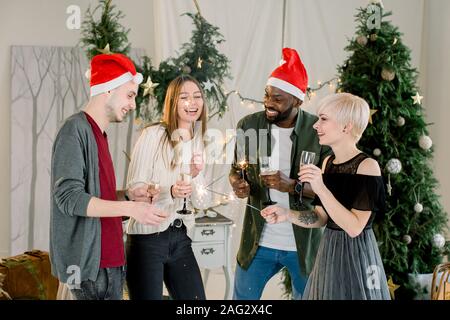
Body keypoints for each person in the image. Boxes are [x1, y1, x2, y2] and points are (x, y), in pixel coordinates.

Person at [50, 53, 170, 300]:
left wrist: (127, 195)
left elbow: (94, 197)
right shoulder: (74, 131)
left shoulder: (100, 135)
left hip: (111, 264)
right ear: (108, 90)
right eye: (129, 95)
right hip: (91, 270)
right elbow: (69, 198)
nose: (133, 104)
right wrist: (131, 207)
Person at [261, 93, 391, 300]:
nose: (315, 125)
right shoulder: (328, 162)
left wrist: (320, 187)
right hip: (329, 252)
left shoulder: (368, 167)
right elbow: (321, 218)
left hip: (357, 257)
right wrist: (287, 214)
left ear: (346, 127)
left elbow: (354, 227)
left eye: (324, 119)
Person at [229, 48, 332, 300]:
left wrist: (292, 186)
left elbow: (328, 192)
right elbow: (236, 170)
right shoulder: (250, 125)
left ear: (297, 101)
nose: (268, 103)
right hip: (258, 242)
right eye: (266, 95)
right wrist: (238, 184)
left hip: (304, 245)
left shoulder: (317, 131)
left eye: (278, 98)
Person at [125, 74, 210, 300]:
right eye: (184, 97)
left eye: (197, 97)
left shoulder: (199, 140)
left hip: (181, 237)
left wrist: (197, 175)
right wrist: (169, 191)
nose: (192, 103)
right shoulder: (153, 135)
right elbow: (134, 189)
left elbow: (202, 202)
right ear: (173, 102)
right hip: (147, 240)